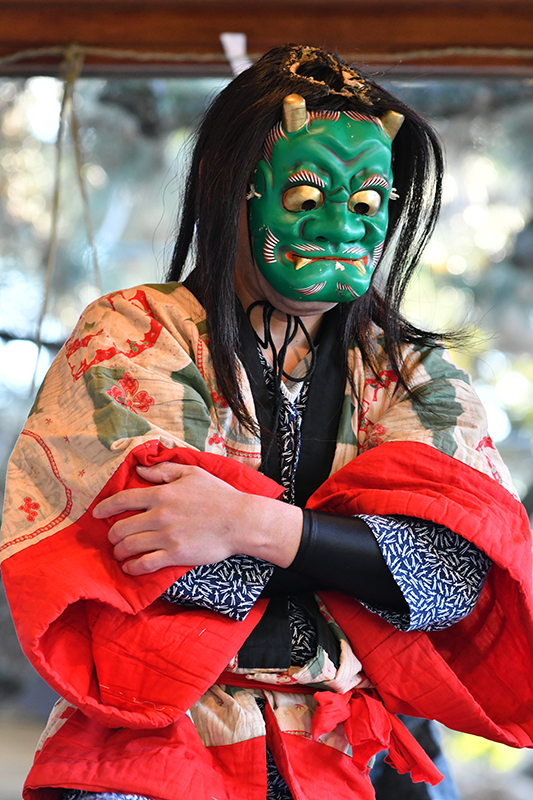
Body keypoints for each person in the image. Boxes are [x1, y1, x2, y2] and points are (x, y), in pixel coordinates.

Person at [1, 44, 533, 800]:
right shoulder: (132, 334)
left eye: (365, 203)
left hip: (356, 738)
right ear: (236, 189)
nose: (342, 230)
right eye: (308, 196)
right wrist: (356, 558)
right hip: (157, 730)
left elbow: (451, 575)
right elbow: (155, 560)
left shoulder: (408, 371)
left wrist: (251, 525)